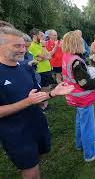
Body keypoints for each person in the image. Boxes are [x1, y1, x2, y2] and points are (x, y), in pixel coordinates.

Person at [0, 26, 74, 179]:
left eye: (23, 46)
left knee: (39, 159)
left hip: (37, 124)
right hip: (16, 133)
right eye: (17, 46)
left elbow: (36, 96)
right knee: (31, 172)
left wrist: (53, 93)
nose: (23, 50)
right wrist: (27, 102)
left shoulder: (25, 68)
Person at [62, 30, 95, 162]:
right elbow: (86, 83)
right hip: (83, 98)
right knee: (87, 126)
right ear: (77, 43)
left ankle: (80, 144)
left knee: (80, 122)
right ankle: (90, 154)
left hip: (73, 96)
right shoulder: (76, 61)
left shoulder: (66, 56)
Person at [28, 28, 53, 110]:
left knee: (47, 87)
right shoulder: (32, 46)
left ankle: (45, 104)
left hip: (47, 69)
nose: (43, 37)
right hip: (41, 70)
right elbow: (43, 57)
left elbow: (48, 57)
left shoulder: (40, 45)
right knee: (43, 88)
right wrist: (43, 48)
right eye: (41, 35)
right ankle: (42, 106)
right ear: (35, 36)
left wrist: (44, 55)